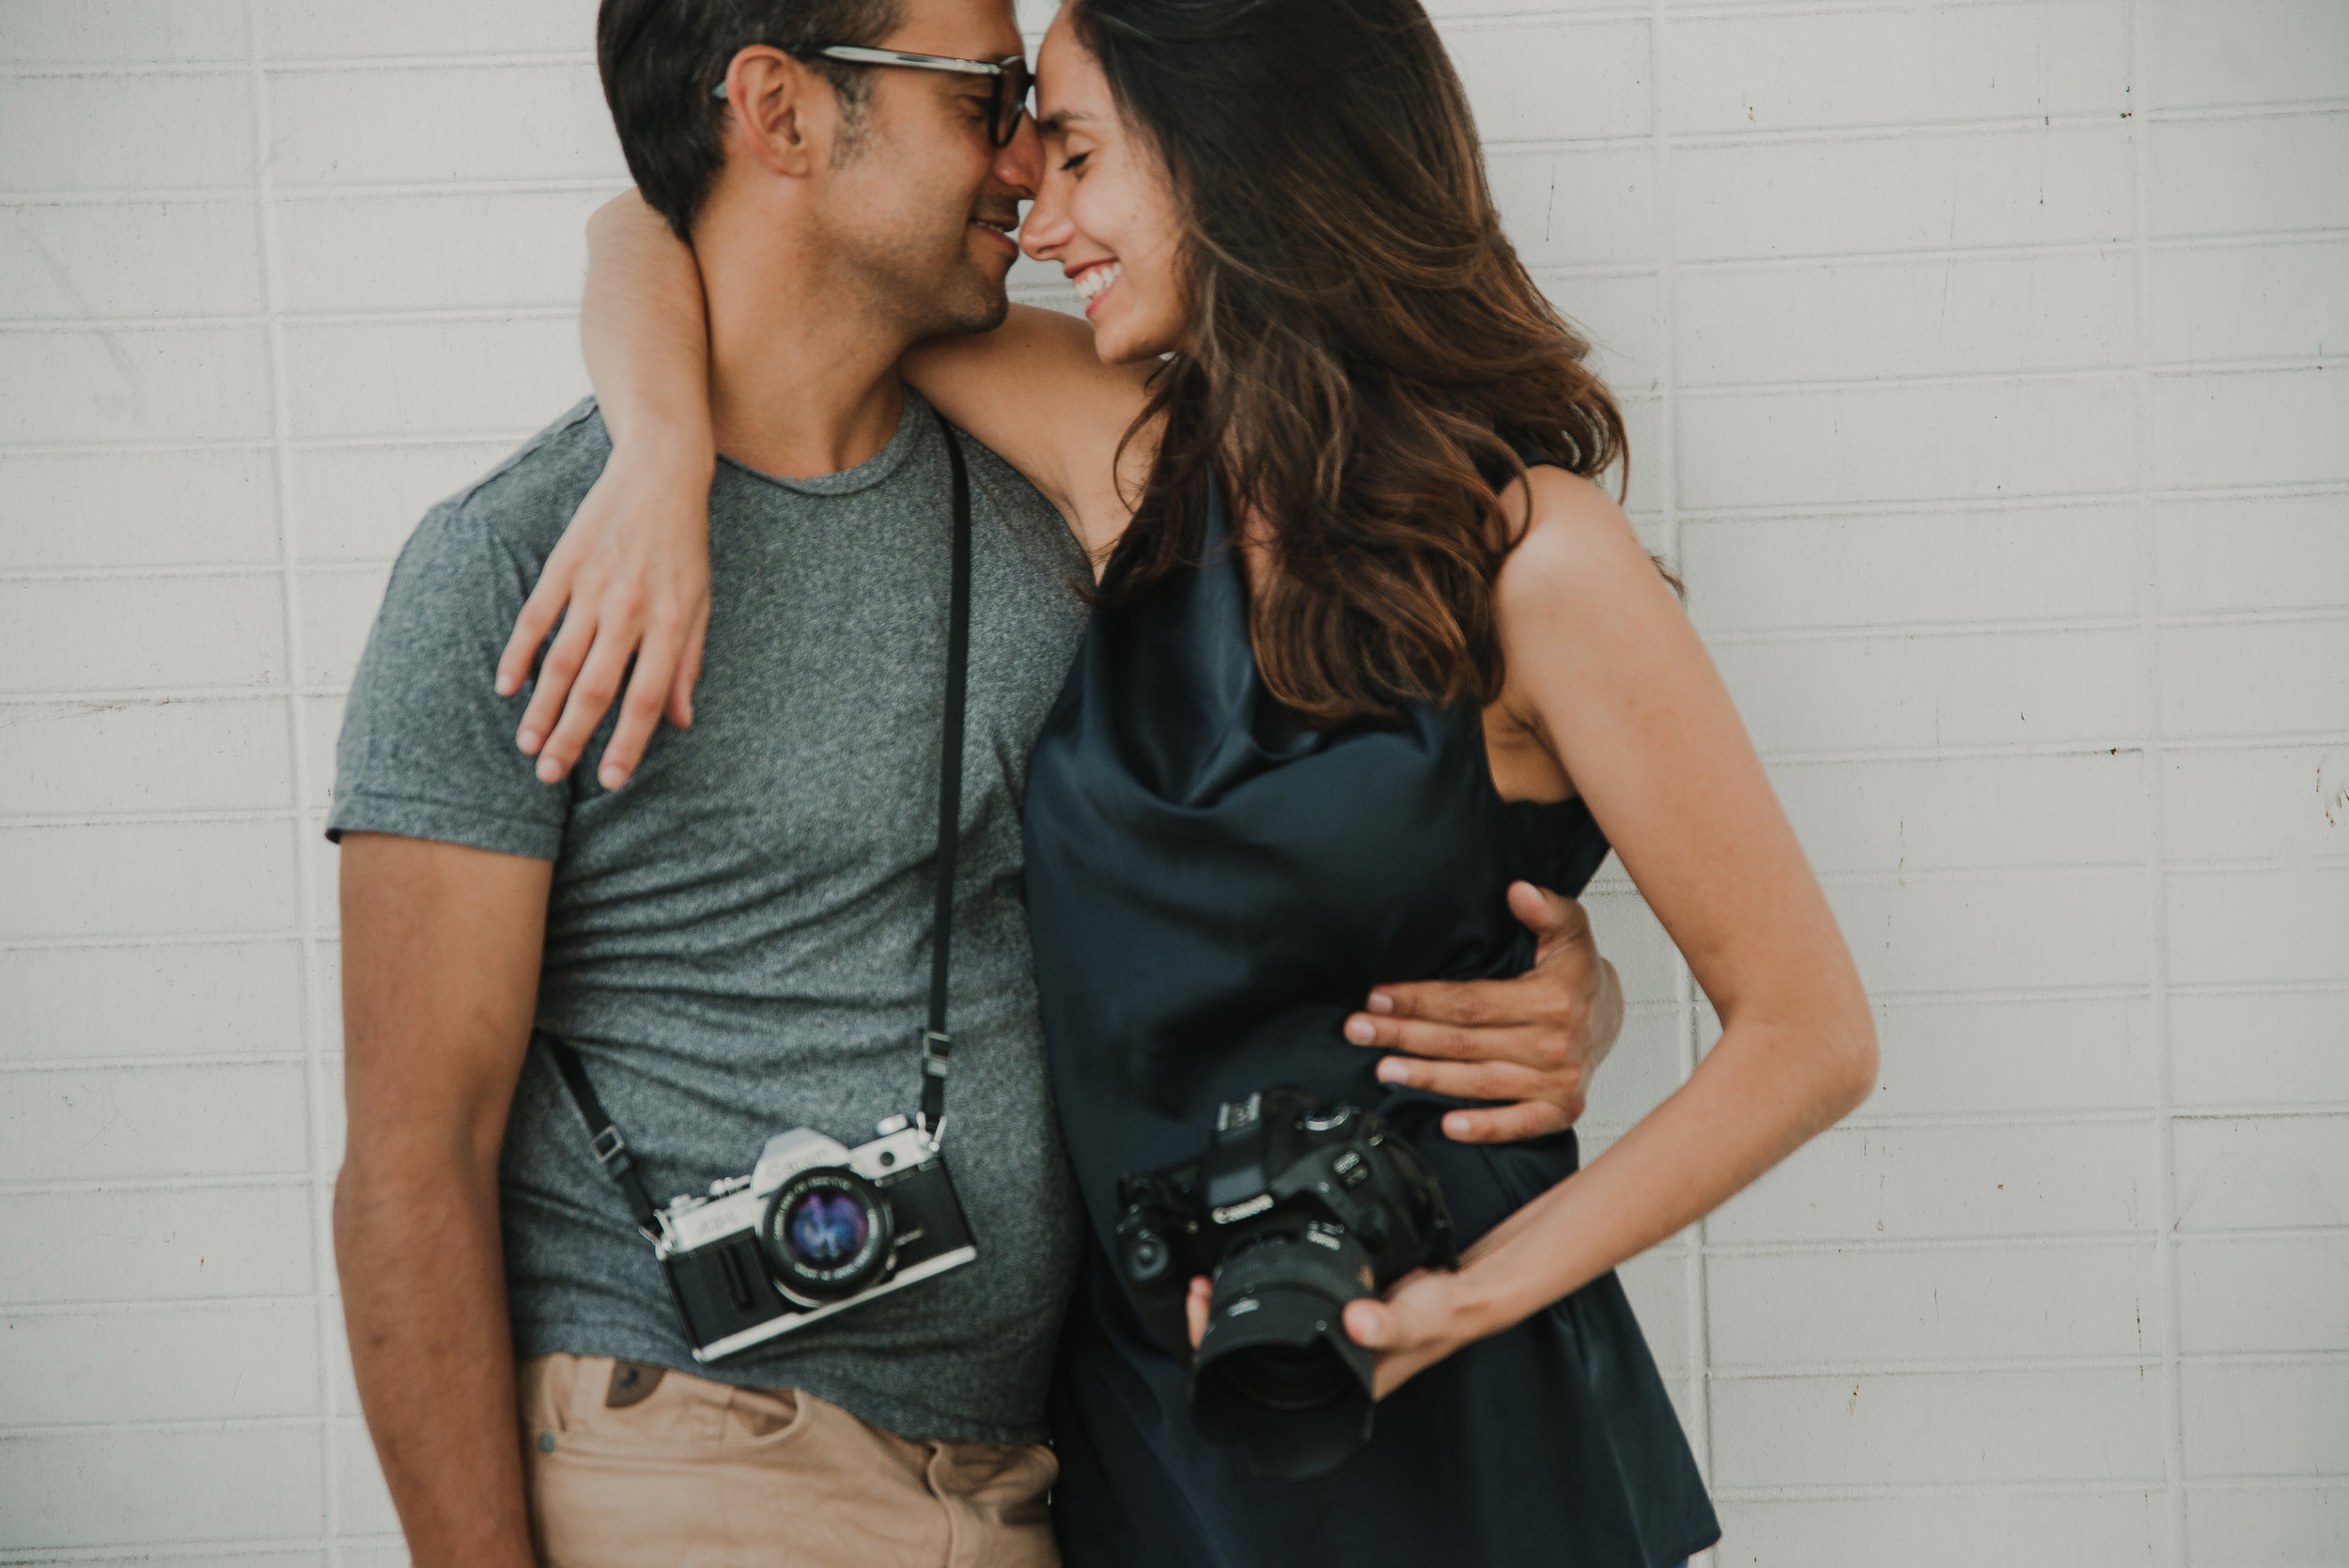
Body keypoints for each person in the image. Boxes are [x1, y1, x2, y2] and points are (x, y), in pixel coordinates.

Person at [517, 0, 1883, 1563]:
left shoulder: (1536, 560)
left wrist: (1477, 1292)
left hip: (1447, 1397)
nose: (1037, 202)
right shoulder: (1132, 466)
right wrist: (657, 455)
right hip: (1150, 1429)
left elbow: (1812, 1034)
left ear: (1236, 160)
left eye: (1083, 151)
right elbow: (666, 221)